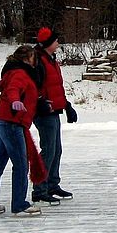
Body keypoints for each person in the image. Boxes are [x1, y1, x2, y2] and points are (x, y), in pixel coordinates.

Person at [0, 45, 43, 216]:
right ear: (26, 58)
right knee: (21, 164)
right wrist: (15, 101)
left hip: (2, 122)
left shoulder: (13, 72)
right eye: (33, 57)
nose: (35, 60)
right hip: (12, 123)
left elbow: (20, 92)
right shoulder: (20, 73)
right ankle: (20, 205)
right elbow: (13, 89)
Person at [32, 26, 78, 205]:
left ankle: (52, 184)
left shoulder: (51, 59)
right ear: (48, 43)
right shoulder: (38, 61)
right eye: (56, 41)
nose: (58, 43)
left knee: (56, 150)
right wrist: (40, 102)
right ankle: (39, 189)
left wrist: (66, 105)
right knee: (48, 150)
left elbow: (56, 87)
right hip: (44, 112)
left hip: (54, 111)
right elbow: (34, 86)